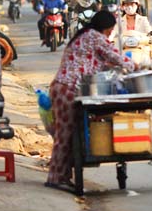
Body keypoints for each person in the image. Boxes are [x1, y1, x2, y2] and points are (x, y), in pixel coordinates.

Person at [45, 10, 135, 192]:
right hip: (67, 88)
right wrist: (133, 65)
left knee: (70, 134)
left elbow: (101, 63)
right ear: (104, 27)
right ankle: (55, 178)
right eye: (110, 30)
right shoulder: (94, 36)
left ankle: (63, 176)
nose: (110, 33)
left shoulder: (86, 36)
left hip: (65, 88)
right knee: (64, 134)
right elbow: (113, 56)